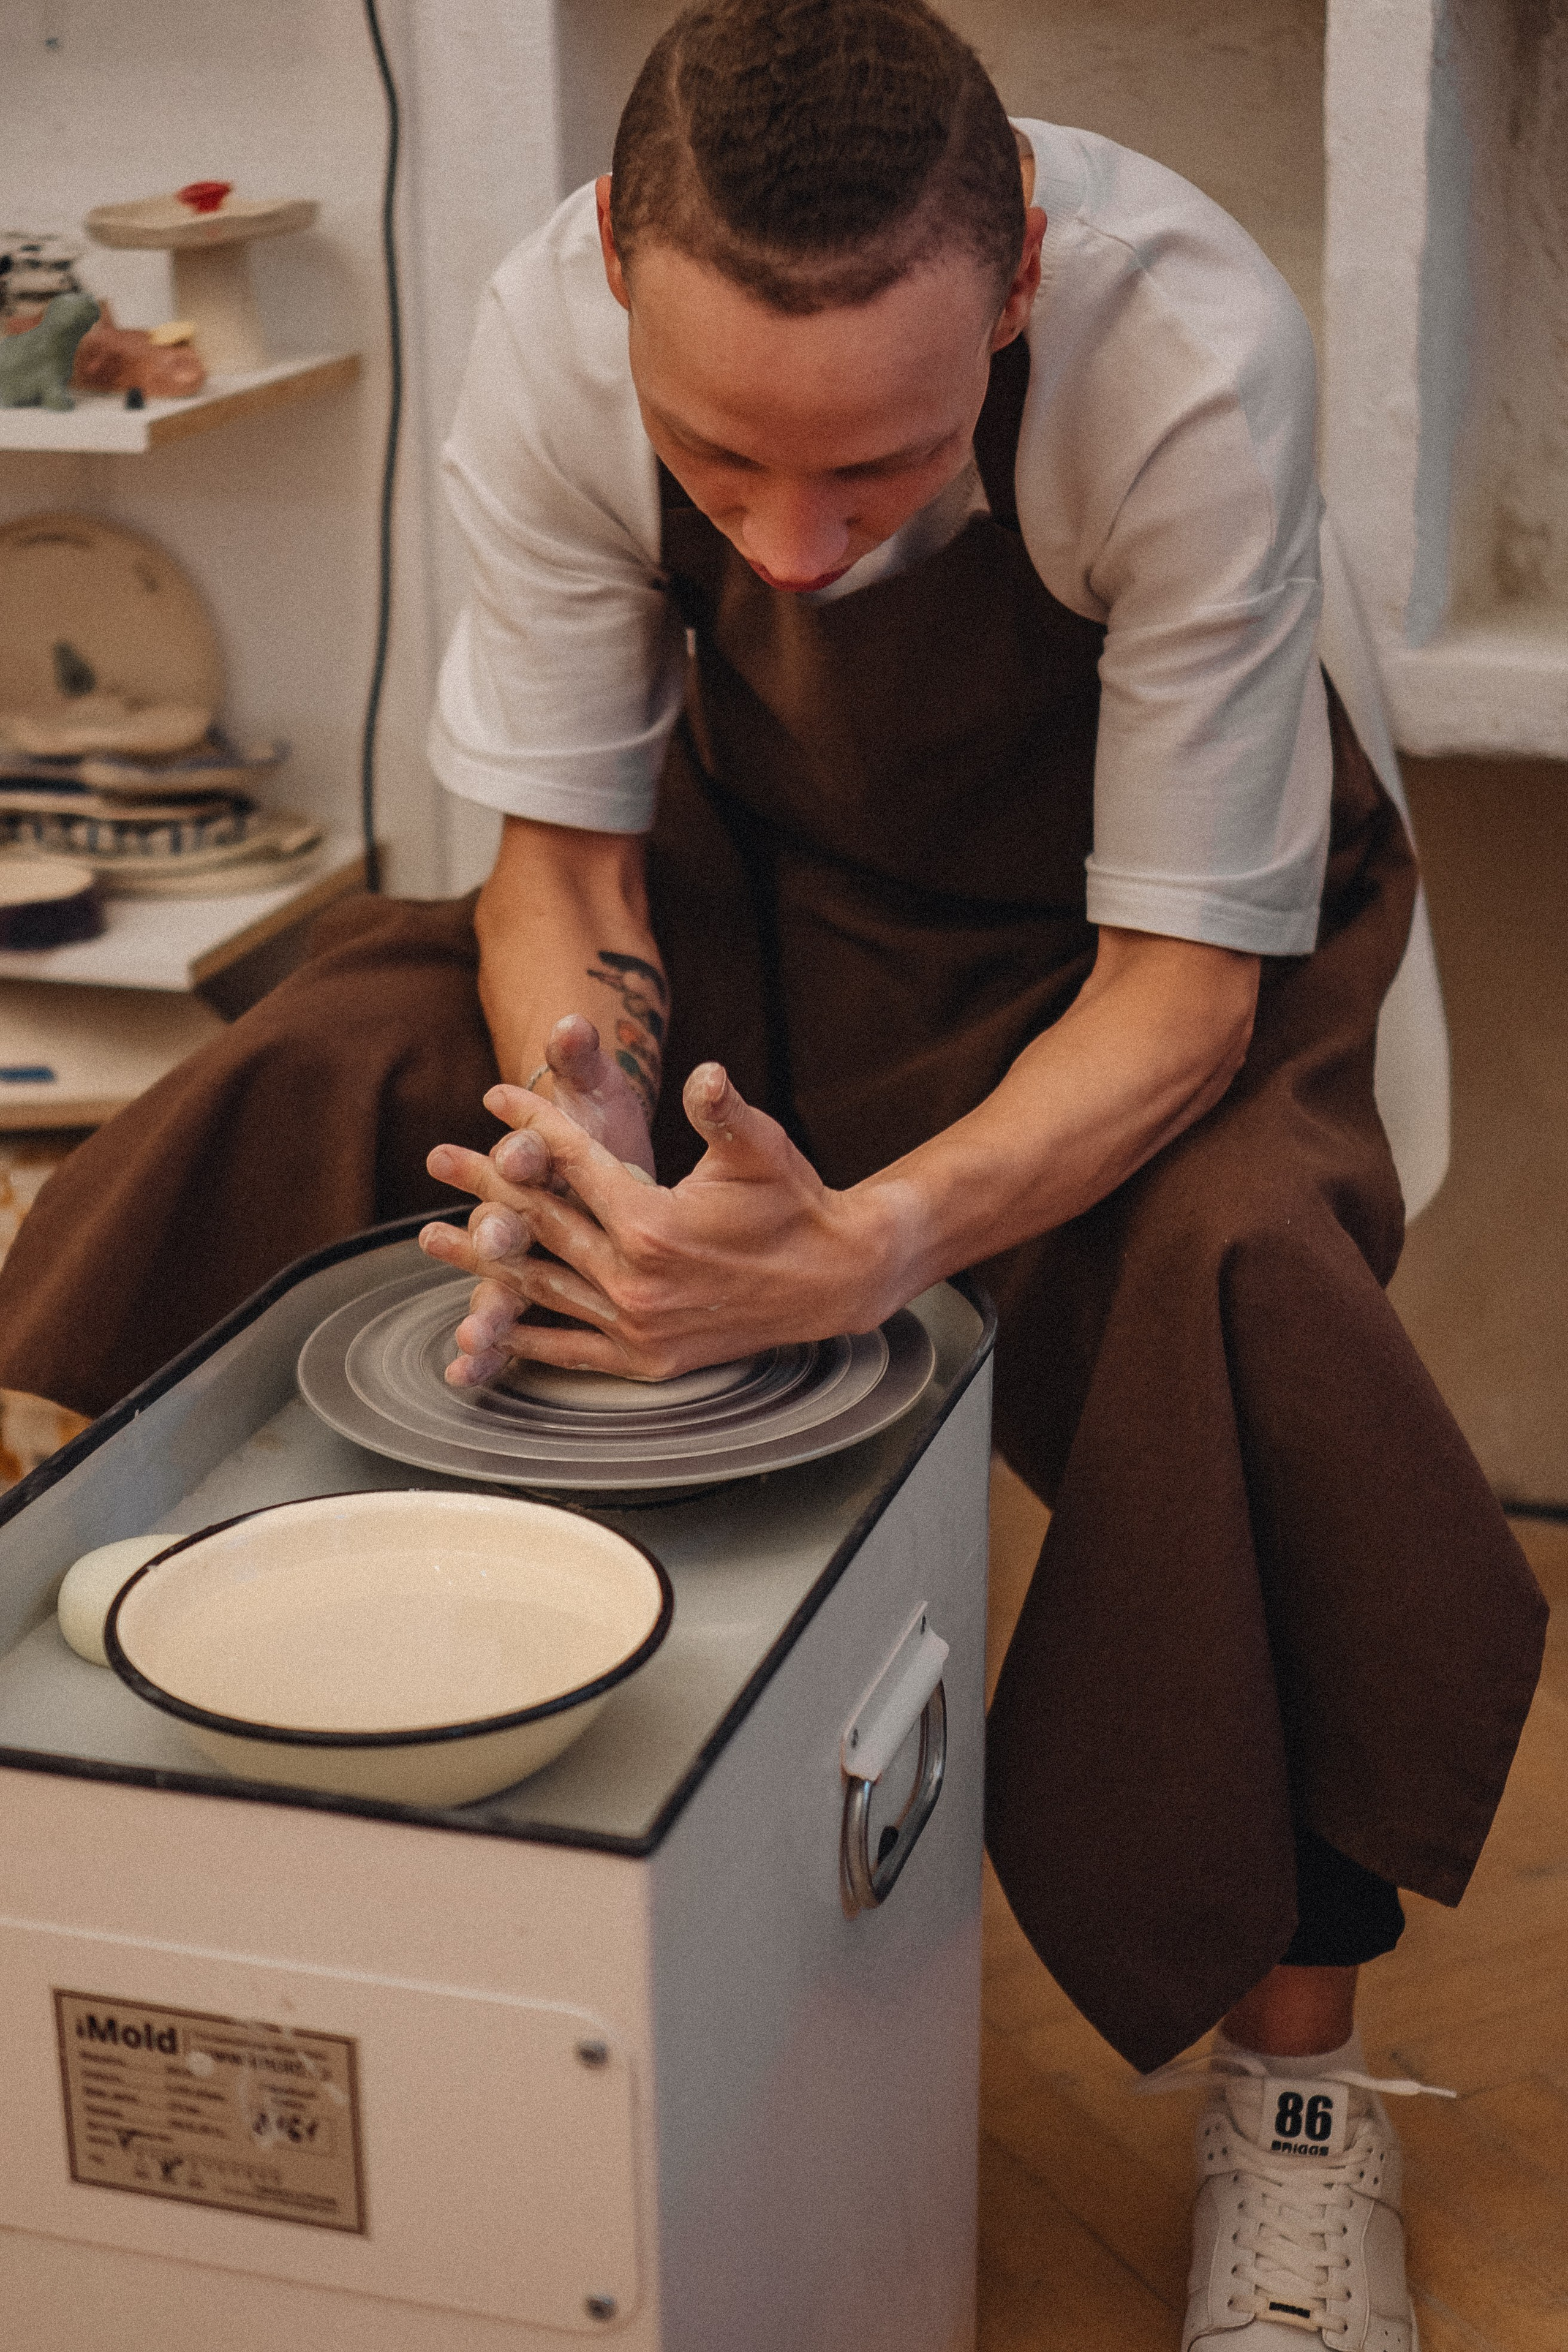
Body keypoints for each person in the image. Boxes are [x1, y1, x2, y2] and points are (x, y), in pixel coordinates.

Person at [0, 5, 1545, 2343]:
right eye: (719, 462)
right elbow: (563, 866)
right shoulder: (548, 329)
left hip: (1134, 939)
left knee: (1251, 1287)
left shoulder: (1187, 361)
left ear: (1018, 283)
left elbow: (1179, 1001)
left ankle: (1299, 2104)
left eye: (885, 467)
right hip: (766, 883)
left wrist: (873, 1245)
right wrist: (598, 1119)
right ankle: (186, 1807)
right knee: (325, 1067)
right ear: (621, 271)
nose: (800, 555)